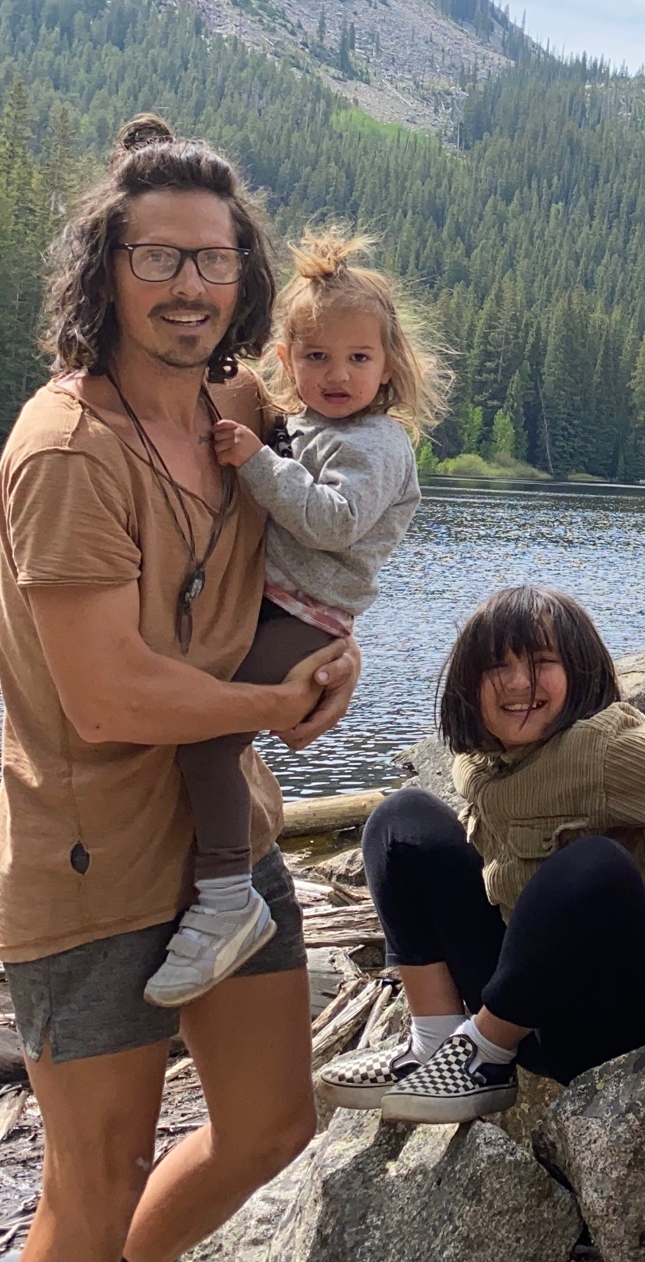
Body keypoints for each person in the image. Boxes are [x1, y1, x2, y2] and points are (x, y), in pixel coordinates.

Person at [0, 115, 362, 1262]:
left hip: (223, 847)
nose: (189, 285)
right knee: (93, 1183)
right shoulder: (67, 449)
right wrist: (272, 706)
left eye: (213, 257)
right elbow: (108, 697)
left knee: (271, 1124)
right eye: (157, 256)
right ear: (105, 269)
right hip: (89, 861)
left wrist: (329, 655)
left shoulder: (236, 409)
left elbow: (314, 542)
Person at [315, 585, 645, 1122]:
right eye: (497, 666)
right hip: (527, 1012)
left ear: (581, 670)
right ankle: (435, 1044)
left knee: (594, 866)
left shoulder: (602, 749)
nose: (519, 683)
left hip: (619, 1023)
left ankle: (481, 1057)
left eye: (541, 662)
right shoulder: (482, 759)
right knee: (401, 819)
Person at [145, 230, 447, 1007]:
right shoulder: (303, 422)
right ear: (286, 357)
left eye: (357, 357)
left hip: (307, 619)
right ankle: (213, 872)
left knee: (208, 737)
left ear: (388, 364)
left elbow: (334, 522)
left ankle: (226, 896)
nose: (337, 374)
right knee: (200, 727)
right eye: (316, 356)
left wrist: (256, 460)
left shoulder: (376, 443)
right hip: (271, 606)